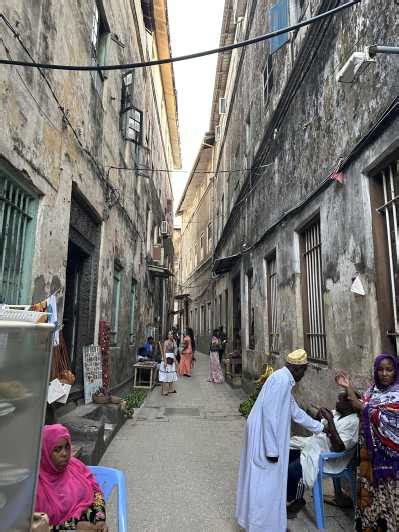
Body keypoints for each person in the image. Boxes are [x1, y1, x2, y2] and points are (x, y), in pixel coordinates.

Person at [236, 349, 324, 532]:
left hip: (266, 438)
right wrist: (272, 450)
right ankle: (260, 526)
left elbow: (295, 412)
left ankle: (272, 525)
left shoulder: (284, 379)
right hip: (264, 440)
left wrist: (320, 427)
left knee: (271, 485)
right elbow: (269, 415)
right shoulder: (282, 381)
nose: (304, 375)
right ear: (297, 369)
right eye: (304, 370)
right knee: (264, 485)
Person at [336, 354, 399, 532]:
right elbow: (362, 403)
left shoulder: (396, 394)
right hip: (370, 460)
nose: (384, 373)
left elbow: (361, 406)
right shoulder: (373, 391)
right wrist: (348, 387)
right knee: (371, 499)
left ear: (395, 371)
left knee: (390, 501)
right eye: (380, 369)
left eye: (389, 369)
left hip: (390, 464)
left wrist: (364, 406)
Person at [287, 390, 359, 518]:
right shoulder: (338, 414)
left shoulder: (353, 422)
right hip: (314, 446)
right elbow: (318, 427)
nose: (337, 402)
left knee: (293, 471)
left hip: (328, 457)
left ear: (350, 404)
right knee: (285, 454)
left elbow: (339, 448)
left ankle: (297, 499)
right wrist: (319, 416)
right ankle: (287, 494)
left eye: (340, 400)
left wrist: (330, 421)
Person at [35, 424, 107, 530]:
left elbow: (96, 493)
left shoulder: (75, 466)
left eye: (67, 447)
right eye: (57, 449)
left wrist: (100, 519)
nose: (64, 453)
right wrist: (74, 527)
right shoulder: (36, 487)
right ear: (45, 452)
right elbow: (39, 528)